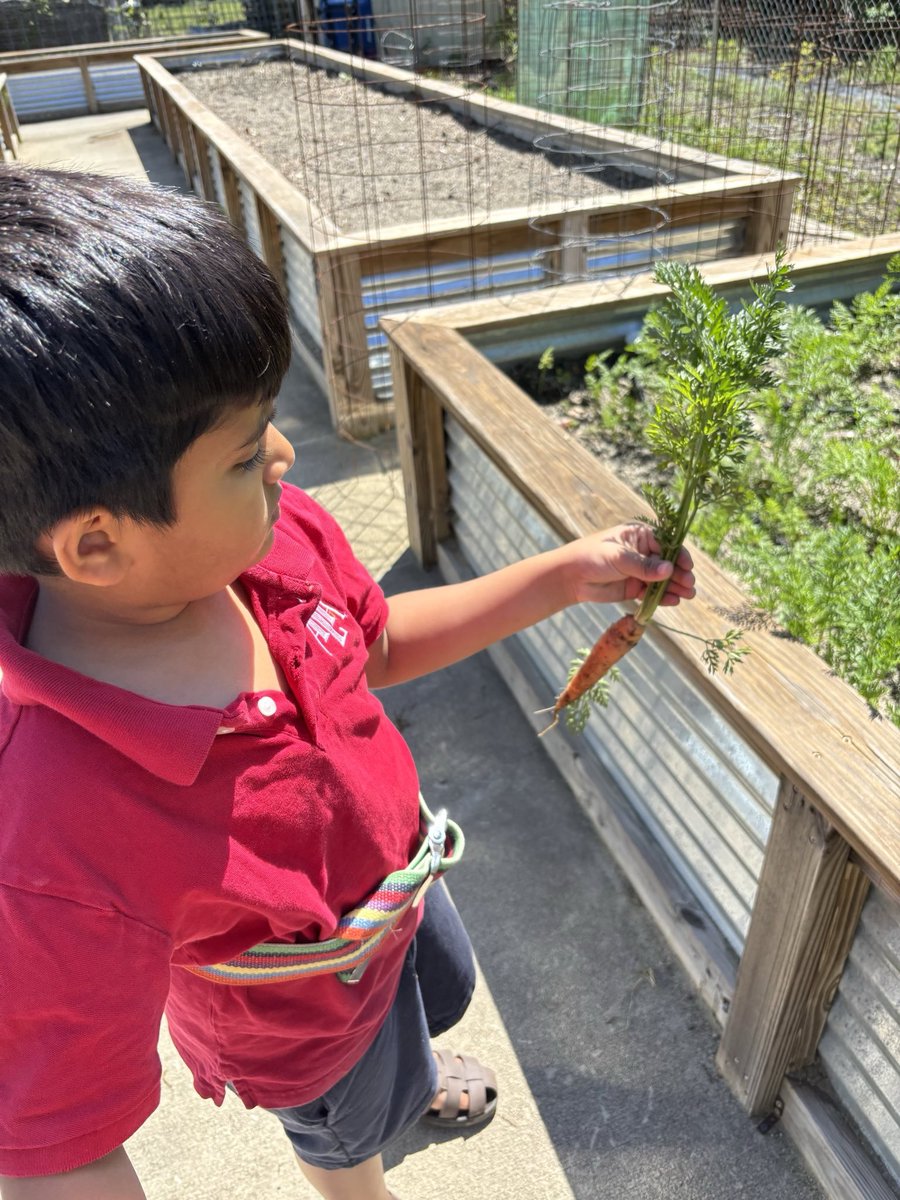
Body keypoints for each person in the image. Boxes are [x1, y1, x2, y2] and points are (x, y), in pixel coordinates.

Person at [0, 163, 695, 1200]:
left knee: (420, 1010)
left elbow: (379, 647)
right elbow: (62, 1144)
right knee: (337, 1112)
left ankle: (407, 1078)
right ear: (97, 544)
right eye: (243, 455)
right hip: (300, 1026)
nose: (286, 454)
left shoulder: (267, 551)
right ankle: (358, 1180)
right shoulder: (54, 817)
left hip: (394, 897)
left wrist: (561, 578)